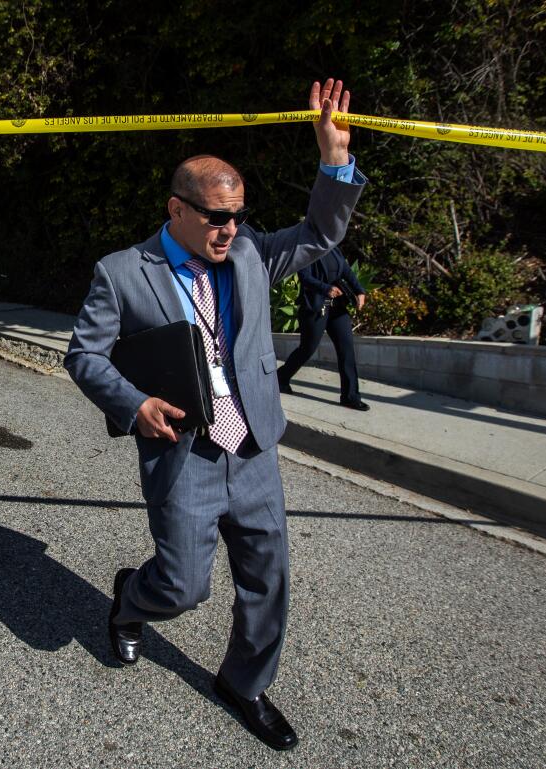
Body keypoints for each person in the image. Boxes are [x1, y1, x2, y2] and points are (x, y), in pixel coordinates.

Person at [64, 79, 364, 751]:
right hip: (183, 452)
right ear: (177, 209)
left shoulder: (252, 254)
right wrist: (133, 402)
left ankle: (244, 683)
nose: (232, 228)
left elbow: (321, 230)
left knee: (269, 576)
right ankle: (132, 599)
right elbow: (83, 354)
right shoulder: (122, 272)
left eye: (239, 215)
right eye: (217, 217)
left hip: (254, 445)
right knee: (182, 584)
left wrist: (333, 163)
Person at [276, 245, 370, 410]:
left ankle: (350, 396)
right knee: (307, 349)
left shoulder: (334, 249)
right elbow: (304, 276)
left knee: (346, 349)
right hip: (316, 307)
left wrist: (359, 290)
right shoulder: (306, 249)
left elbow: (346, 270)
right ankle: (281, 378)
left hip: (337, 308)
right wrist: (326, 288)